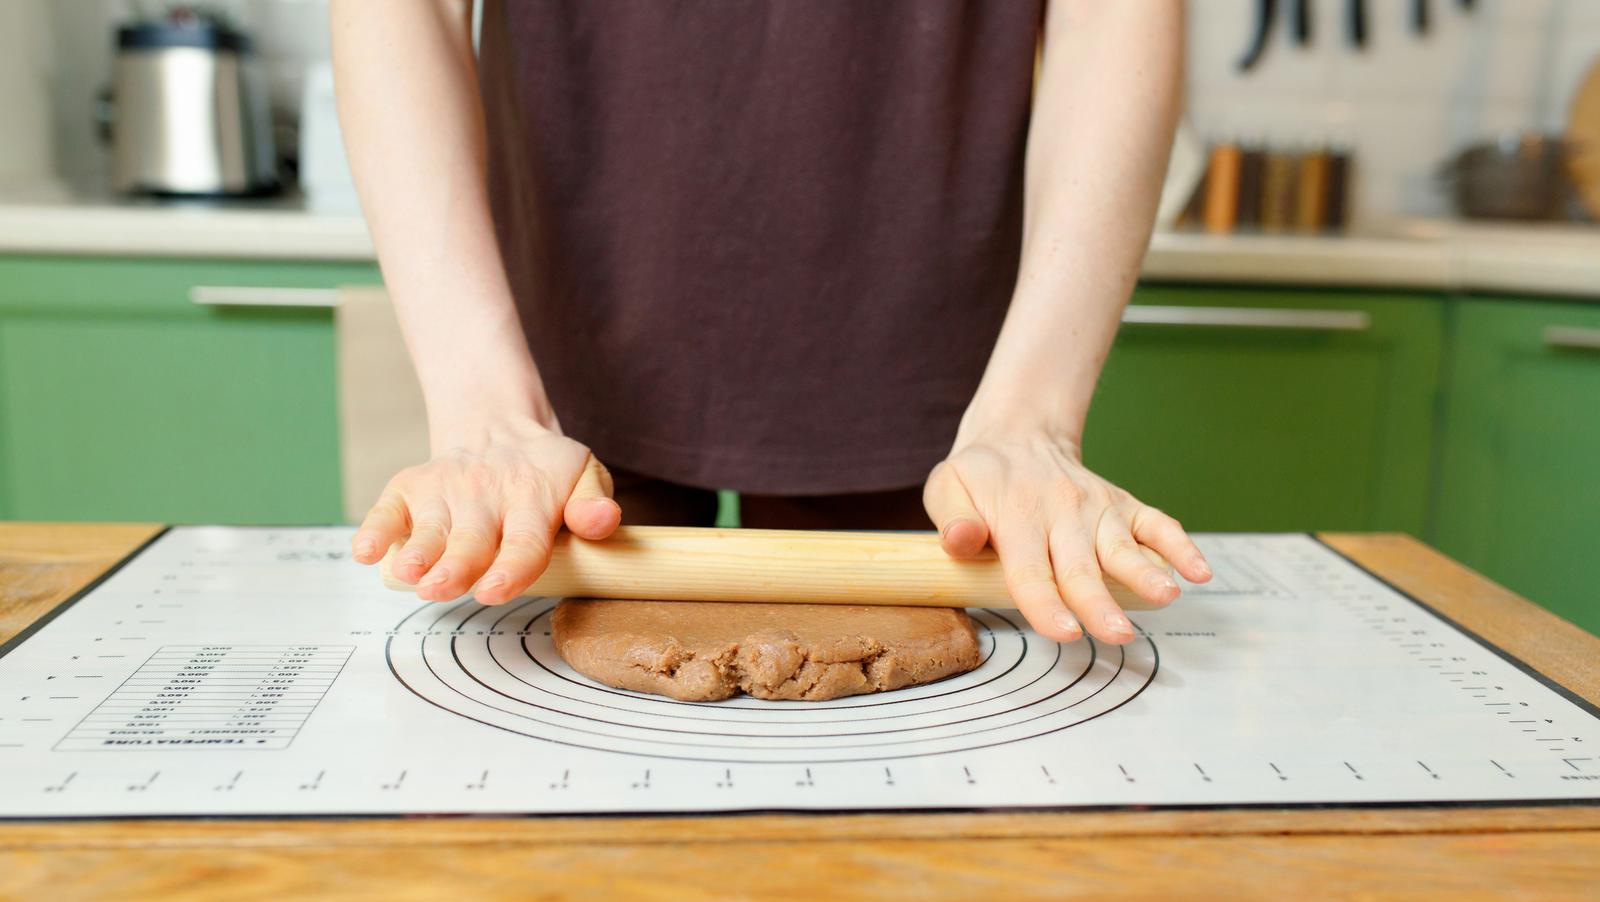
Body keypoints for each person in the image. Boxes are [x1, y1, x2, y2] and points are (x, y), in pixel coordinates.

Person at [331, 0, 1212, 647]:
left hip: (943, 421)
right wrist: (488, 413)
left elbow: (1110, 18)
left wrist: (1032, 418)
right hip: (557, 419)